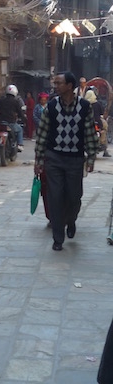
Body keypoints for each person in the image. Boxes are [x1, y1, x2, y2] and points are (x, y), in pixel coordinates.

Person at [34, 71, 98, 251]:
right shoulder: (51, 107)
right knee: (55, 197)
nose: (55, 86)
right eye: (55, 83)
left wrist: (91, 157)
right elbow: (43, 134)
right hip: (54, 158)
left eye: (59, 83)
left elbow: (89, 134)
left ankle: (71, 220)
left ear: (70, 86)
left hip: (75, 160)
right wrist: (39, 160)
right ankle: (58, 237)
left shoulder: (85, 107)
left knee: (74, 196)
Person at [33, 92, 51, 224]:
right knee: (46, 189)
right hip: (46, 162)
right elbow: (39, 147)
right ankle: (50, 215)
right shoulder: (38, 108)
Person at [0, 84, 25, 152]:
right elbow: (20, 112)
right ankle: (20, 144)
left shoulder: (1, 100)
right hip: (11, 122)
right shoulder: (16, 101)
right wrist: (23, 118)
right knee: (20, 130)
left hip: (1, 122)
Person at [85, 88, 111, 157]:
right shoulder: (97, 104)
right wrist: (101, 127)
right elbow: (100, 114)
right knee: (105, 129)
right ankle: (104, 149)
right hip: (97, 122)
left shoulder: (84, 104)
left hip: (87, 123)